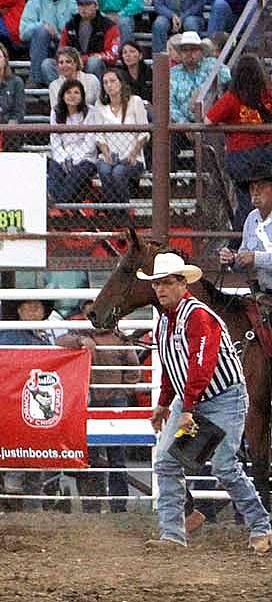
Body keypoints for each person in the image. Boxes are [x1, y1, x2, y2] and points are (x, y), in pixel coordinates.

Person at [139, 252, 272, 553]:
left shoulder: (198, 316)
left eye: (167, 283)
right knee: (167, 461)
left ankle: (262, 525)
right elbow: (172, 366)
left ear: (182, 284)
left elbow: (203, 364)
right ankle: (172, 535)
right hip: (197, 400)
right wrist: (164, 403)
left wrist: (185, 408)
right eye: (157, 283)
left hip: (223, 399)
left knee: (224, 466)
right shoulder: (165, 323)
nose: (161, 289)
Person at [206, 54, 272, 220]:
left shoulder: (231, 98)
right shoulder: (267, 95)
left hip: (241, 157)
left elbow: (207, 121)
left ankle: (239, 241)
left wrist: (226, 124)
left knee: (246, 203)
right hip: (267, 155)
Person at [94, 69, 149, 203]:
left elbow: (144, 132)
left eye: (113, 81)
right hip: (109, 154)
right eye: (105, 82)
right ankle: (113, 212)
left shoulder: (135, 101)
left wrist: (133, 153)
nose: (109, 85)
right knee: (105, 170)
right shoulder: (100, 105)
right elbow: (99, 135)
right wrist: (106, 154)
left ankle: (123, 211)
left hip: (133, 156)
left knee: (118, 172)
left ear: (121, 83)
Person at [47, 79, 98, 203]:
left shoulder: (90, 112)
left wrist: (73, 160)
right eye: (68, 92)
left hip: (86, 158)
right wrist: (64, 158)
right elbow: (55, 140)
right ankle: (61, 206)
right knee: (54, 168)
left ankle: (57, 204)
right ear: (63, 95)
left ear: (82, 96)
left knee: (77, 172)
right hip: (62, 156)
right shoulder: (55, 112)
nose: (72, 96)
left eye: (76, 92)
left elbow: (90, 143)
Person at [221, 169, 272, 292]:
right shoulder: (251, 218)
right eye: (252, 187)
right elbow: (243, 264)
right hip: (265, 291)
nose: (255, 192)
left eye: (261, 186)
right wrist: (233, 259)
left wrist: (255, 258)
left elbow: (252, 258)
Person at [57, 0, 120, 82]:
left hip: (99, 68)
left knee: (93, 62)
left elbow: (112, 55)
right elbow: (61, 50)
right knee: (47, 64)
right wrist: (71, 61)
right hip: (73, 66)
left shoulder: (109, 26)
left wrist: (85, 59)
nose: (83, 8)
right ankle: (62, 91)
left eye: (87, 4)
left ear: (96, 6)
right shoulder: (70, 25)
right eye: (80, 4)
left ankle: (95, 93)